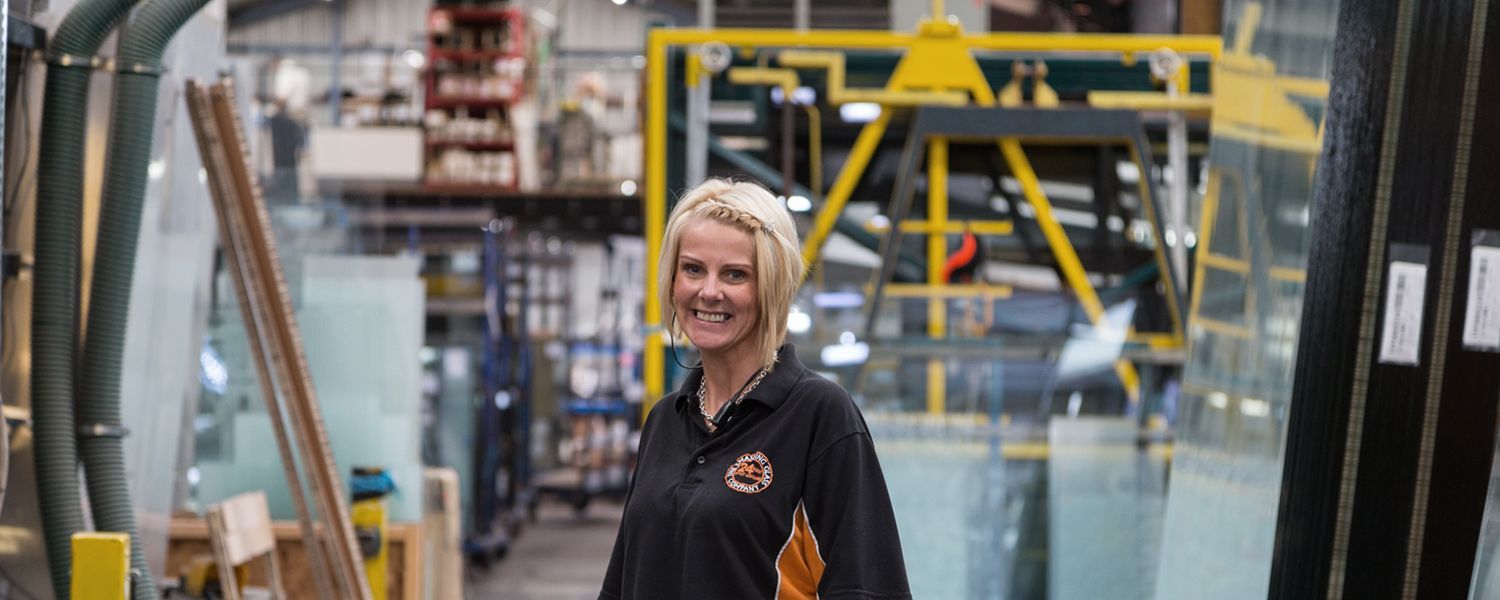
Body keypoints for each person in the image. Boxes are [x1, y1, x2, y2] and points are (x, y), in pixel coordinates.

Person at [600, 179, 911, 599]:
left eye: (735, 274)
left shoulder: (820, 417)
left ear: (771, 287)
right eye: (693, 269)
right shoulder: (664, 420)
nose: (709, 292)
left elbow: (869, 587)